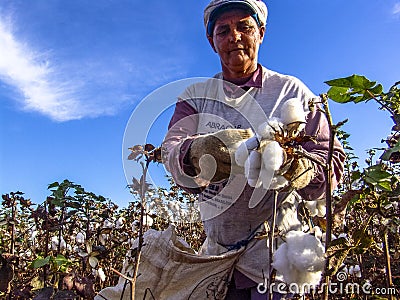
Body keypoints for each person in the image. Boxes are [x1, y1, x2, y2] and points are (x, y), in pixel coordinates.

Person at [162, 0, 345, 299]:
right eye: (223, 31)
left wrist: (301, 168)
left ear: (260, 33)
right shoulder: (194, 98)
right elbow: (171, 149)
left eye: (244, 27)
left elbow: (333, 160)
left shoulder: (292, 92)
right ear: (212, 42)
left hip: (279, 259)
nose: (234, 36)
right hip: (218, 258)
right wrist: (195, 153)